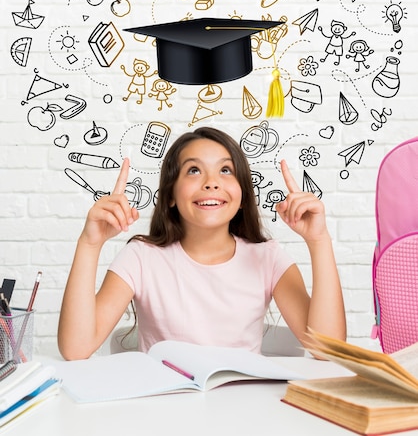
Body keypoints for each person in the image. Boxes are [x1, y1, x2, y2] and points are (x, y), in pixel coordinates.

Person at [58, 126, 346, 360]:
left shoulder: (268, 258)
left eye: (225, 170)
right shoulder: (141, 257)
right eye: (194, 171)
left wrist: (318, 241)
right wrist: (89, 244)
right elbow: (76, 349)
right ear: (170, 195)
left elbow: (328, 349)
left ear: (243, 194)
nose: (211, 182)